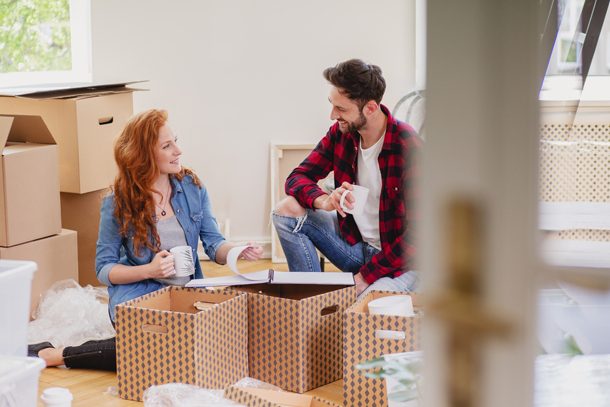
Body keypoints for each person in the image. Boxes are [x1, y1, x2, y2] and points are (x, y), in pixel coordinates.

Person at [28, 109, 263, 369]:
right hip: (138, 297)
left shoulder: (193, 188)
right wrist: (149, 269)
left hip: (186, 294)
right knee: (157, 352)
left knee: (209, 346)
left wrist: (235, 251)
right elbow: (104, 270)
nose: (178, 150)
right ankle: (59, 354)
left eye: (176, 140)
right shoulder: (117, 201)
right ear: (144, 155)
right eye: (167, 145)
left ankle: (84, 351)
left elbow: (214, 243)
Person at [272, 59, 421, 297]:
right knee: (286, 210)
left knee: (361, 314)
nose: (333, 115)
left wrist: (363, 278)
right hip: (359, 248)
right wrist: (324, 200)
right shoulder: (342, 134)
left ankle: (361, 297)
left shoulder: (408, 146)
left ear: (370, 108)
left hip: (401, 264)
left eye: (341, 109)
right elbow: (297, 178)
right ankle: (309, 301)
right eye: (332, 105)